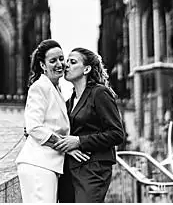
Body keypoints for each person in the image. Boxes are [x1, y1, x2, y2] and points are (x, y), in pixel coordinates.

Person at [16, 39, 90, 202]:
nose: (59, 64)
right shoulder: (40, 87)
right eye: (53, 60)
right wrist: (66, 147)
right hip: (38, 164)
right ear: (43, 65)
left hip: (48, 165)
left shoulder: (56, 89)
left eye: (61, 59)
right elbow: (34, 127)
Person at [55, 48, 126, 203]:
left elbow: (117, 134)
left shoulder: (99, 93)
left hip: (93, 169)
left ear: (86, 69)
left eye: (72, 62)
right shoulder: (68, 102)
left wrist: (80, 142)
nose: (66, 65)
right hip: (69, 171)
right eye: (67, 61)